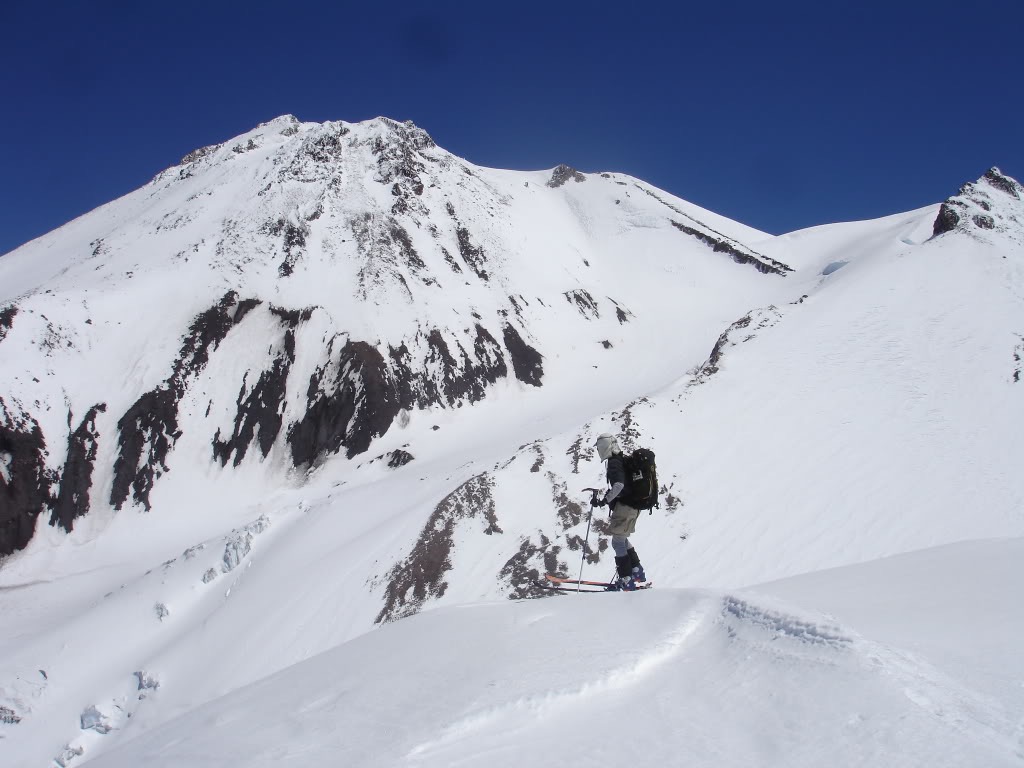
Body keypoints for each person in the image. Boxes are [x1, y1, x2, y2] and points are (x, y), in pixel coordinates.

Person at [592, 433, 647, 590]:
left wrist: (604, 500)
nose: (599, 451)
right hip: (633, 507)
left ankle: (626, 578)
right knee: (621, 539)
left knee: (617, 541)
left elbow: (619, 485)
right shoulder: (622, 459)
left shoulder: (614, 463)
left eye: (600, 447)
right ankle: (637, 571)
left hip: (624, 507)